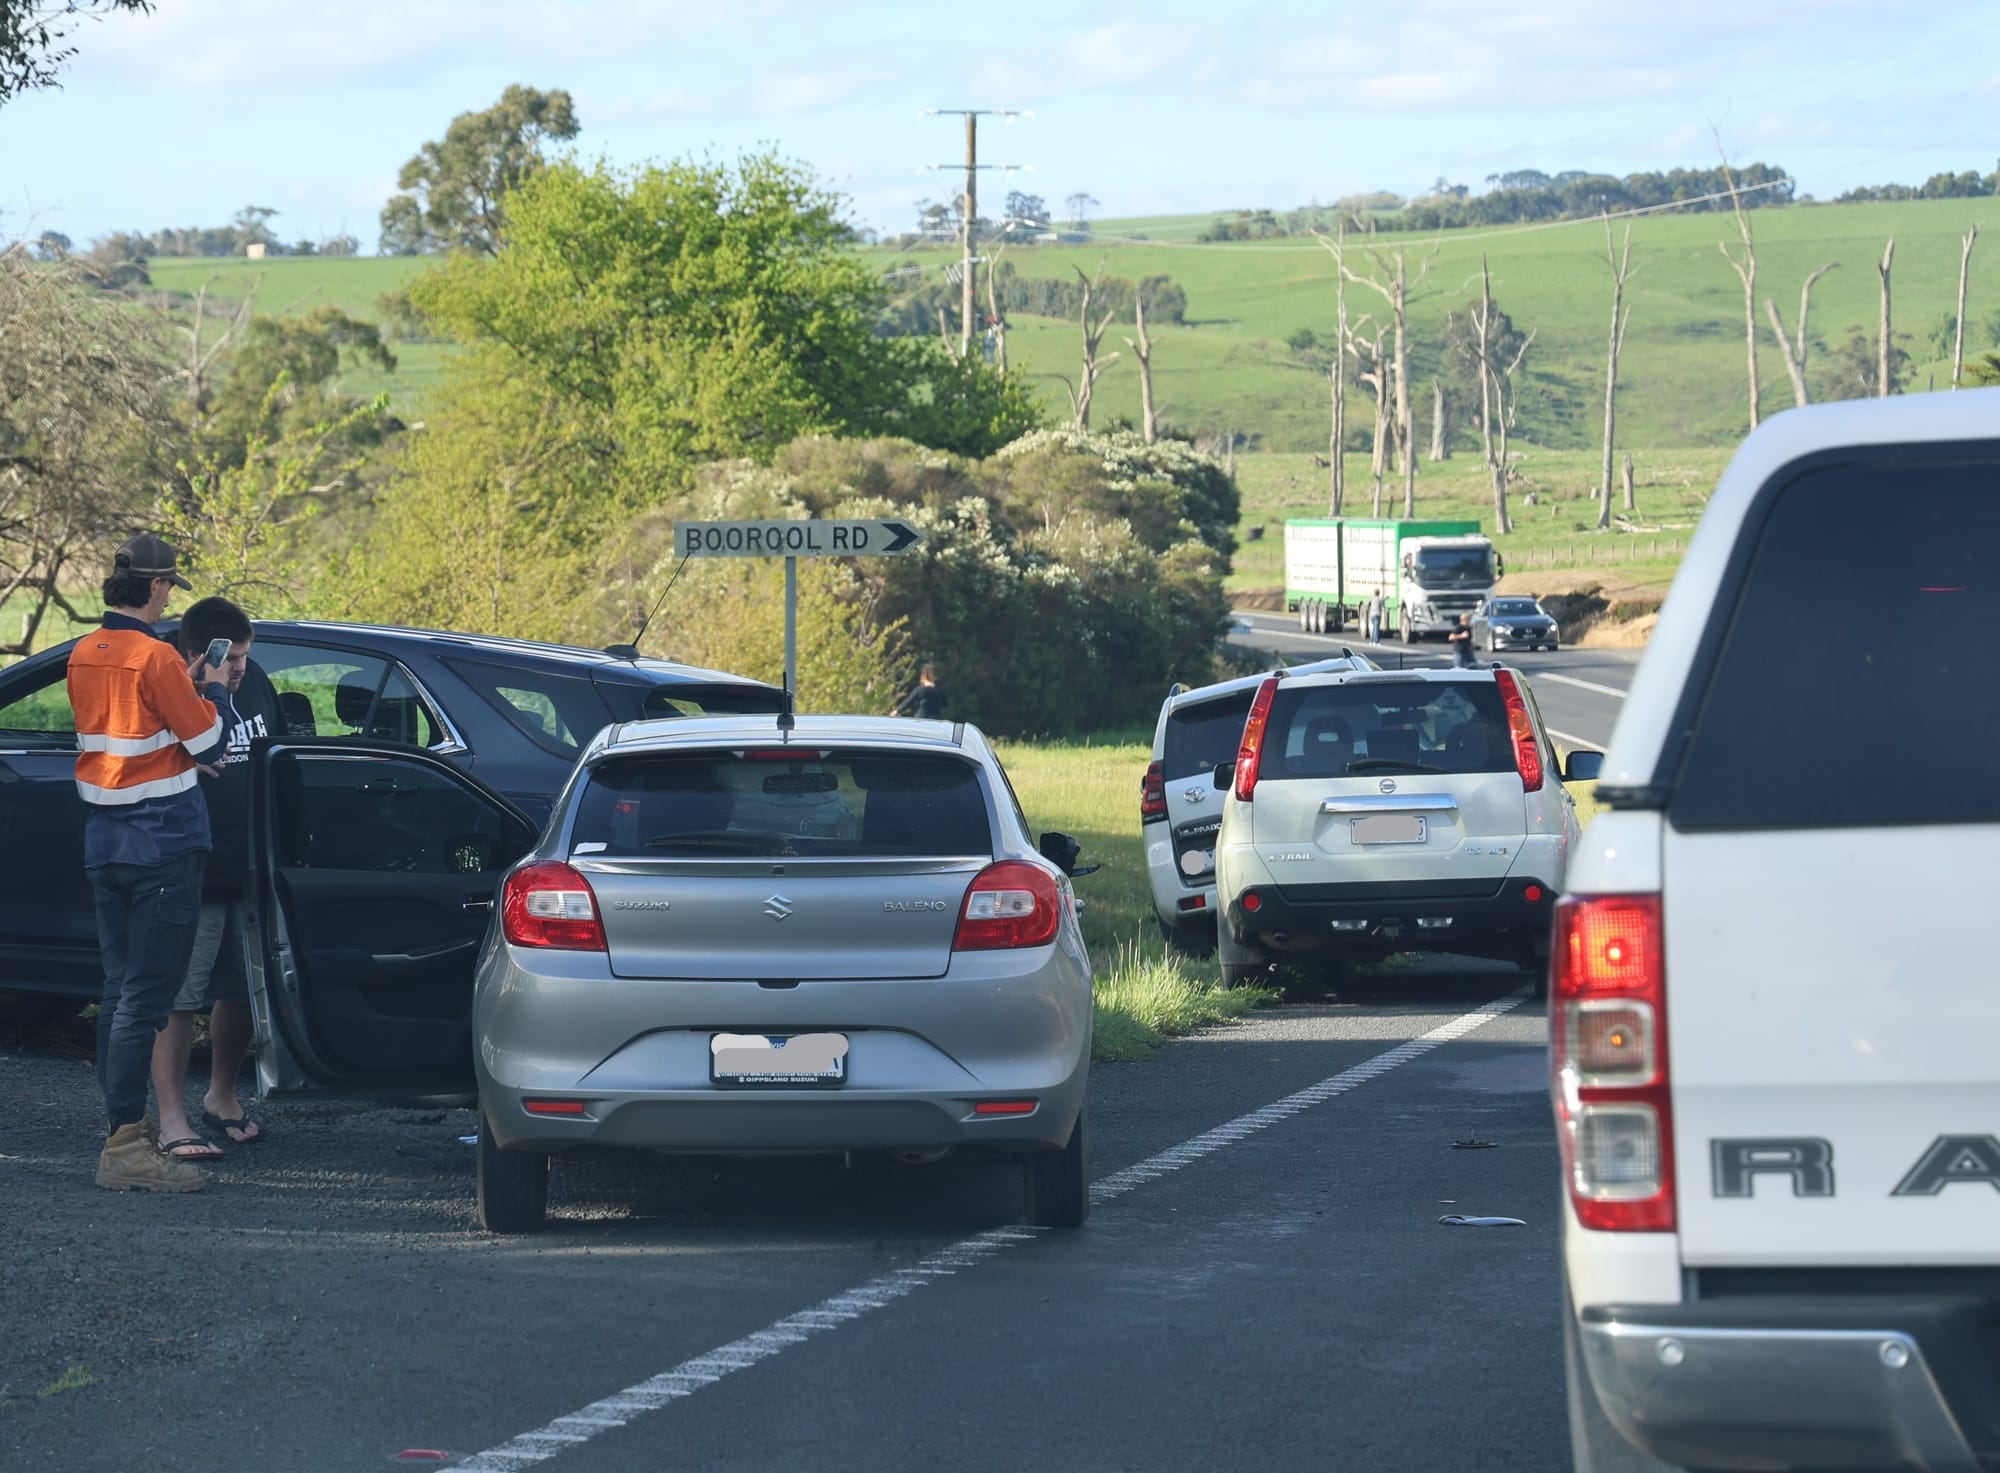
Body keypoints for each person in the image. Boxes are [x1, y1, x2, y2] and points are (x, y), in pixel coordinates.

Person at [68, 534, 226, 1192]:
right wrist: (213, 688)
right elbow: (208, 740)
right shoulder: (157, 657)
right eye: (168, 590)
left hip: (106, 841)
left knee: (118, 994)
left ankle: (121, 1134)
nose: (167, 601)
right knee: (144, 998)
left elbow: (131, 732)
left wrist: (179, 693)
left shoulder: (85, 652)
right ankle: (128, 1148)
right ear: (157, 586)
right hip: (163, 843)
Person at [149, 597, 279, 1160]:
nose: (241, 668)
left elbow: (276, 752)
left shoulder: (256, 682)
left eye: (246, 656)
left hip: (248, 865)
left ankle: (221, 1096)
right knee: (179, 997)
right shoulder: (168, 686)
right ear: (198, 654)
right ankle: (170, 1118)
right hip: (191, 867)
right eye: (232, 658)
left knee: (242, 989)